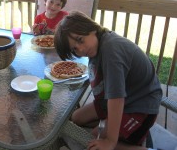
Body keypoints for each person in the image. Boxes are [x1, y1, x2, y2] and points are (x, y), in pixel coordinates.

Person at [54, 11, 162, 150]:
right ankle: (110, 124)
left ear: (91, 28)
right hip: (116, 100)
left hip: (140, 105)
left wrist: (110, 140)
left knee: (96, 139)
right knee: (76, 118)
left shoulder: (111, 50)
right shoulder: (97, 44)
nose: (80, 49)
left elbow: (116, 99)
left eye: (80, 39)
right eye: (74, 49)